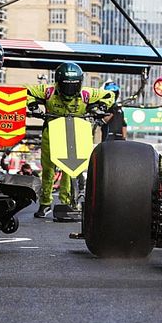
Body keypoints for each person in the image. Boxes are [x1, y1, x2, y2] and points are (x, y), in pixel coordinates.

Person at [26, 62, 115, 218]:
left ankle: (67, 201)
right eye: (66, 86)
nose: (69, 91)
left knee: (70, 169)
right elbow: (25, 91)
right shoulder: (48, 91)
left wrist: (101, 107)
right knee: (48, 170)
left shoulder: (87, 94)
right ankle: (45, 203)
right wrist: (33, 106)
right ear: (58, 83)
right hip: (51, 132)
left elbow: (109, 95)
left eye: (73, 86)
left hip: (75, 133)